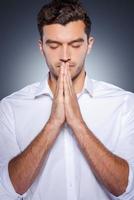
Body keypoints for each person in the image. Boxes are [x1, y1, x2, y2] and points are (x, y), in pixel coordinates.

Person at [0, 0, 134, 199]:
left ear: (89, 45)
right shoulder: (10, 107)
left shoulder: (125, 104)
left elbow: (125, 189)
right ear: (41, 47)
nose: (65, 55)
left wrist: (77, 123)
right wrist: (53, 123)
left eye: (75, 44)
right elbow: (7, 191)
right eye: (54, 45)